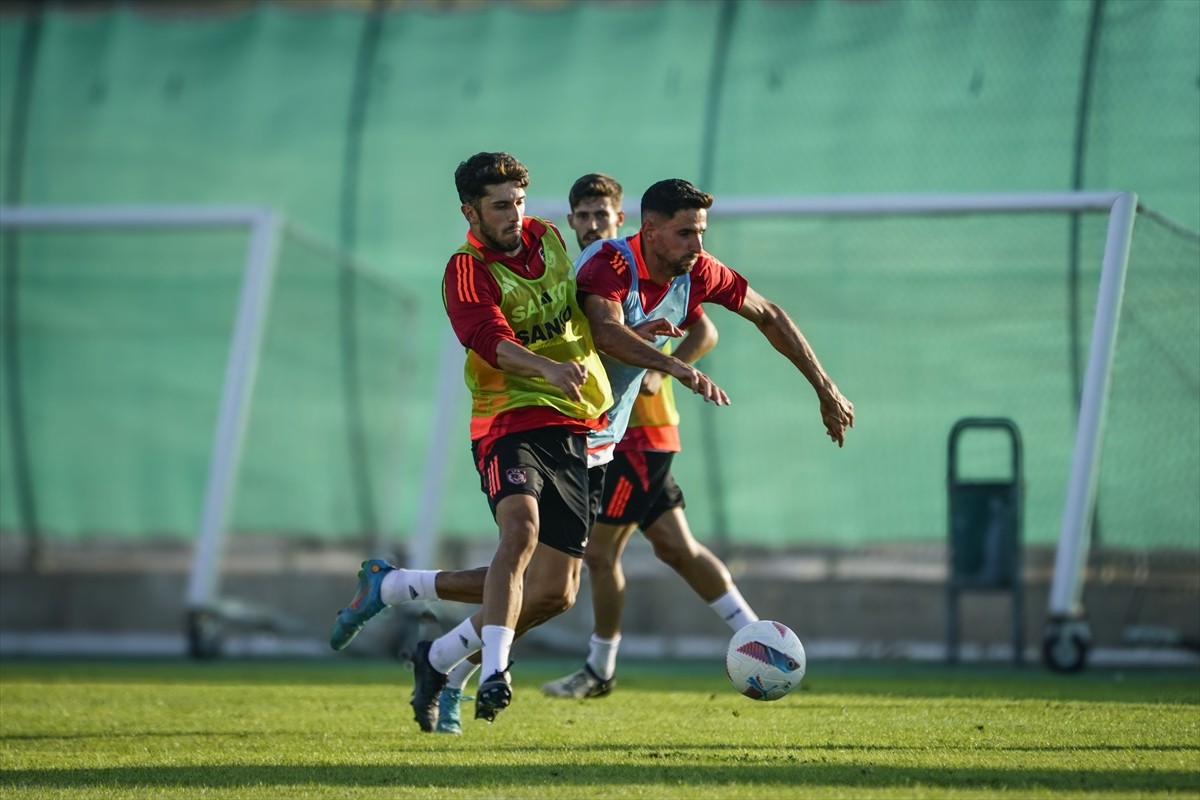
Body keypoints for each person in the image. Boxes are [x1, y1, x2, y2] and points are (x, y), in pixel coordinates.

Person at [328, 154, 726, 733]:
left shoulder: (558, 245)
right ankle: (494, 672)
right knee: (521, 537)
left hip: (584, 430)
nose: (515, 214)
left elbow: (585, 321)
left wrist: (631, 337)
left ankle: (419, 627)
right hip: (510, 419)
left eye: (518, 201)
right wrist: (548, 368)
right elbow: (493, 342)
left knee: (550, 594)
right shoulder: (465, 269)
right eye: (500, 205)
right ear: (470, 211)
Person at [542, 173, 762, 699]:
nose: (594, 224)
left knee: (596, 555)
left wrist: (664, 369)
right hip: (615, 436)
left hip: (638, 435)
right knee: (676, 548)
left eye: (604, 216)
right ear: (571, 222)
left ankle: (599, 667)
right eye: (584, 216)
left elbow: (704, 328)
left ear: (624, 223)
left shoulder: (647, 270)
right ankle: (759, 638)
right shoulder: (589, 276)